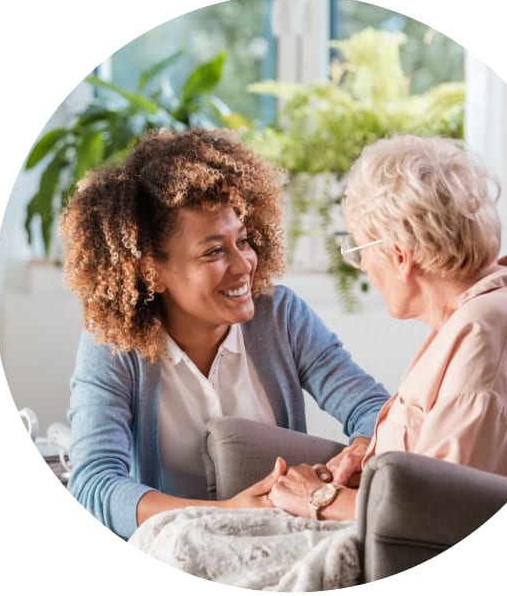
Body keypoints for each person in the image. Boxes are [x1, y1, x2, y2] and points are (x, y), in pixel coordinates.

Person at [58, 126, 391, 540]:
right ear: (151, 271)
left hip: (285, 539)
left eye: (244, 240)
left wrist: (358, 453)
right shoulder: (112, 345)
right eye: (214, 251)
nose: (244, 265)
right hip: (175, 550)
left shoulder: (281, 316)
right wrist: (224, 513)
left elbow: (374, 411)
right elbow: (94, 484)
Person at [266, 133, 507, 522]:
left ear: (400, 257)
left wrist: (319, 498)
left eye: (359, 250)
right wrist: (370, 456)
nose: (364, 265)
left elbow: (437, 515)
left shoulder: (486, 338)